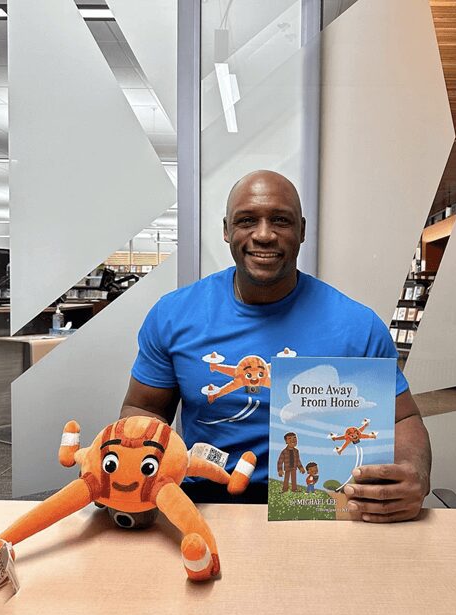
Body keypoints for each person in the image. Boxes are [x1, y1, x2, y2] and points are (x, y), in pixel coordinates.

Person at [122, 170, 431, 522]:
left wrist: (413, 472)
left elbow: (404, 417)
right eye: (247, 220)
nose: (264, 235)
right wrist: (132, 462)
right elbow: (142, 408)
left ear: (301, 230)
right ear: (227, 230)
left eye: (280, 221)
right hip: (204, 503)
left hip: (321, 506)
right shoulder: (173, 316)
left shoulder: (357, 326)